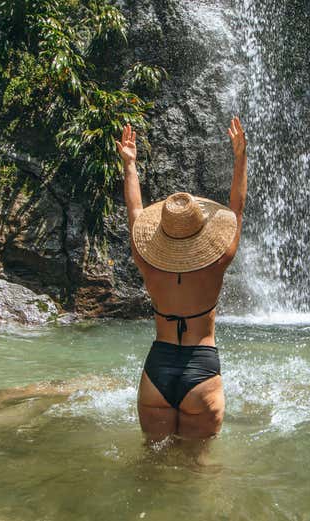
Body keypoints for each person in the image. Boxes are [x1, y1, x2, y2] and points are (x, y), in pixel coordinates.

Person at [116, 116, 248, 442]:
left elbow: (134, 214)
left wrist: (130, 165)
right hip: (201, 369)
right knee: (199, 474)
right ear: (201, 232)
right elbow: (237, 209)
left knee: (151, 465)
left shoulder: (148, 264)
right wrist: (240, 157)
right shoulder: (216, 262)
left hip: (157, 370)